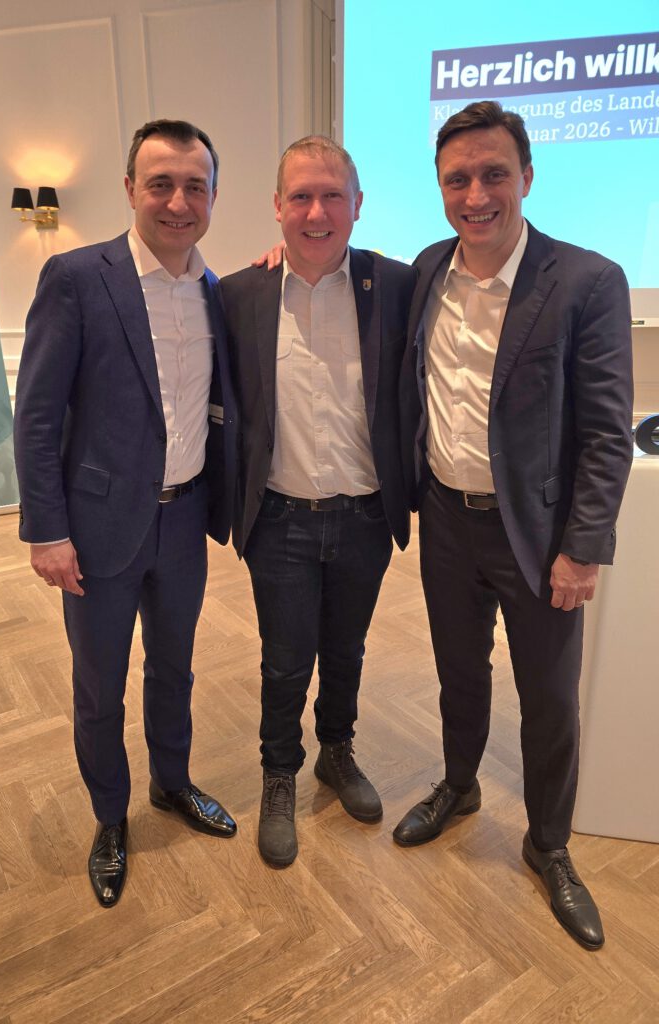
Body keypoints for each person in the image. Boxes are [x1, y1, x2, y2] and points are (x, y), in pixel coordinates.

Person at [394, 101, 633, 950]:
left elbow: (606, 433)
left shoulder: (587, 280)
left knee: (550, 699)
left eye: (494, 174)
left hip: (539, 537)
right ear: (440, 188)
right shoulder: (427, 269)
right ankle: (459, 785)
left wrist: (582, 549)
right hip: (446, 521)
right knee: (458, 675)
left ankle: (548, 844)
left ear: (527, 177)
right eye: (457, 179)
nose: (476, 194)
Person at [14, 119, 239, 909]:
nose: (178, 202)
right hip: (97, 528)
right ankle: (111, 817)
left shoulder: (218, 293)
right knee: (99, 685)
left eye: (194, 186)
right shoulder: (78, 277)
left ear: (213, 195)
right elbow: (37, 414)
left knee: (174, 670)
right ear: (130, 189)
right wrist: (47, 529)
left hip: (185, 522)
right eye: (161, 184)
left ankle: (171, 783)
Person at [220, 136, 417, 867]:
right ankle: (279, 773)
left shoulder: (396, 285)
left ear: (358, 205)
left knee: (346, 649)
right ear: (276, 206)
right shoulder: (239, 294)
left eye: (332, 195)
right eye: (300, 196)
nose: (316, 212)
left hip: (365, 515)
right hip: (280, 519)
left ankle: (337, 752)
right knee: (283, 660)